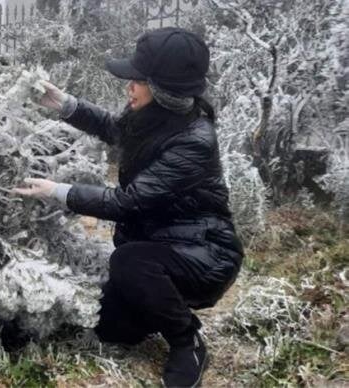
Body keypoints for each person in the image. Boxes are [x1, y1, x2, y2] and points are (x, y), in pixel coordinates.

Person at [12, 27, 244, 388]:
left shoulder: (194, 142)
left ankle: (187, 341)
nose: (128, 87)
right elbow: (114, 128)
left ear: (163, 90)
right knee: (112, 329)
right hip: (160, 248)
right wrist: (66, 105)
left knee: (130, 263)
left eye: (138, 80)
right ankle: (155, 306)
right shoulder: (155, 118)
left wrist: (58, 190)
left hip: (205, 254)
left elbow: (128, 202)